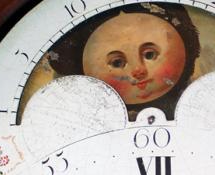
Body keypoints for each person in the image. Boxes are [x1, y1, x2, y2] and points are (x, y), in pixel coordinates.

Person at [48, 3, 200, 121]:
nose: (138, 70)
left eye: (149, 54)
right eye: (117, 63)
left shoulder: (195, 104)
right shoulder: (76, 115)